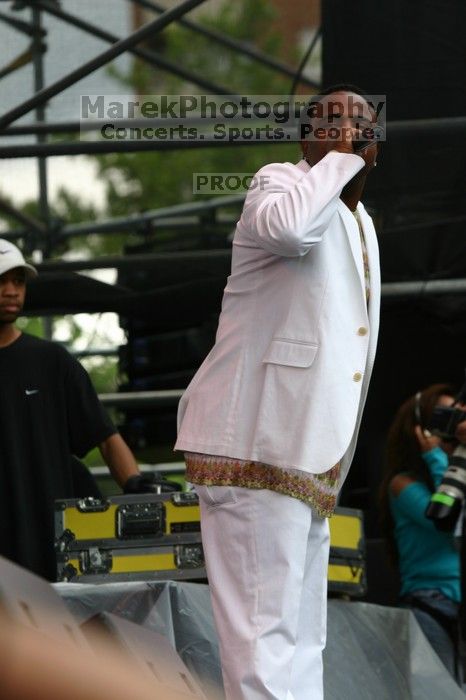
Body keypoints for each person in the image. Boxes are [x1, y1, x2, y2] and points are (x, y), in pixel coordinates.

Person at [175, 85, 381, 700]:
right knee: (264, 640)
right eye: (335, 121)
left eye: (363, 124)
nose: (352, 131)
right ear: (307, 138)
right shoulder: (277, 185)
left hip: (307, 455)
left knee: (303, 636)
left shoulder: (359, 221)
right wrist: (340, 160)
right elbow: (291, 230)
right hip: (254, 444)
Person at [0, 238, 146, 581]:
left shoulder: (52, 362)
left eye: (18, 281)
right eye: (1, 281)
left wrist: (137, 487)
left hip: (50, 549)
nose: (11, 291)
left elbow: (105, 437)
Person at [379, 384, 464, 679]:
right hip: (431, 606)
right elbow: (447, 521)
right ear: (420, 430)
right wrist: (438, 458)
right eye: (444, 417)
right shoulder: (401, 483)